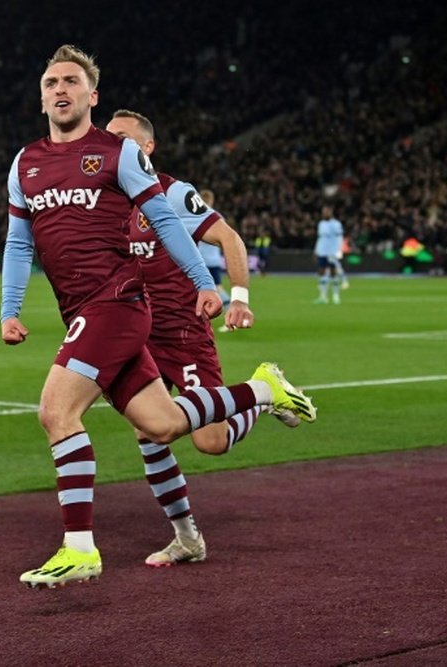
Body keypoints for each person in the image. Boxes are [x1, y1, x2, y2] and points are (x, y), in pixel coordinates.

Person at [1, 45, 315, 589]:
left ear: (90, 95)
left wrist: (213, 286)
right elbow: (17, 240)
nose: (60, 89)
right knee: (161, 425)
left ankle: (80, 548)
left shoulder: (124, 161)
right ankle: (261, 392)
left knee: (57, 412)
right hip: (92, 310)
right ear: (41, 95)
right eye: (51, 82)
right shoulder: (25, 163)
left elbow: (176, 224)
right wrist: (9, 308)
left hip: (120, 306)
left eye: (71, 81)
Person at [106, 109, 313, 568]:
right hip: (135, 334)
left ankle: (261, 395)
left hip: (182, 332)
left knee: (211, 442)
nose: (112, 144)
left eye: (122, 138)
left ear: (146, 147)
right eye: (108, 137)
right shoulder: (105, 200)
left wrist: (238, 297)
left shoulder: (172, 192)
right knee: (147, 430)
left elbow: (230, 239)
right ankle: (187, 539)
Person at [194, 189, 230, 308]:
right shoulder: (218, 217)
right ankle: (228, 310)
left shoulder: (194, 214)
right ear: (212, 200)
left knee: (196, 289)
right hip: (214, 260)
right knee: (217, 286)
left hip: (198, 261)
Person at [314, 205, 345, 303]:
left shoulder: (336, 224)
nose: (324, 213)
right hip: (322, 251)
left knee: (333, 273)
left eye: (326, 212)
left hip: (332, 252)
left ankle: (336, 296)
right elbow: (320, 238)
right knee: (321, 272)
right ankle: (323, 296)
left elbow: (340, 237)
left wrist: (338, 250)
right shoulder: (321, 224)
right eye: (323, 212)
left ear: (330, 213)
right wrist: (316, 250)